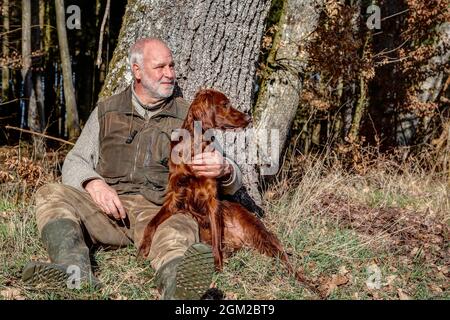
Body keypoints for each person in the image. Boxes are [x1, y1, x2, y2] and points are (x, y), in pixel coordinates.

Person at [21, 38, 243, 300]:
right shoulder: (108, 111)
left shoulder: (188, 114)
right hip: (108, 212)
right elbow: (75, 160)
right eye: (160, 67)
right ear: (137, 71)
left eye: (172, 66)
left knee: (178, 229)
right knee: (50, 193)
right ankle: (74, 270)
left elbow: (230, 174)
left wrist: (225, 168)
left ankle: (179, 289)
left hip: (160, 212)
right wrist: (93, 184)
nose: (170, 74)